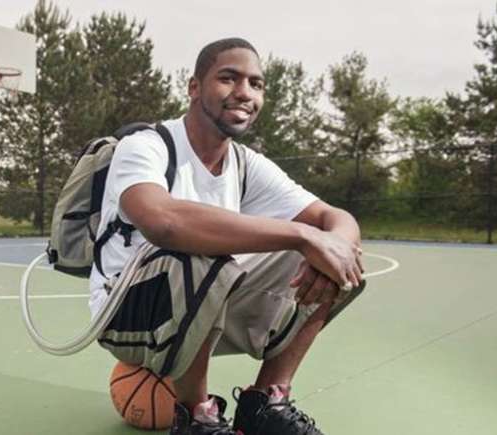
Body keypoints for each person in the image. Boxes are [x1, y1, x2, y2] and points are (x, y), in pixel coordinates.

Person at [91, 37, 365, 435]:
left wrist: (330, 245)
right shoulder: (146, 146)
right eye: (229, 78)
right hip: (128, 314)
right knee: (201, 251)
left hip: (199, 307)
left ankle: (266, 403)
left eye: (256, 83)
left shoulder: (245, 163)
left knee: (338, 258)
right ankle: (196, 417)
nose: (244, 93)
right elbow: (161, 221)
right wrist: (301, 236)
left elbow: (332, 217)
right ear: (194, 87)